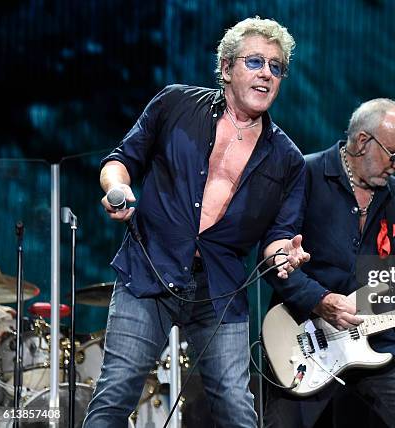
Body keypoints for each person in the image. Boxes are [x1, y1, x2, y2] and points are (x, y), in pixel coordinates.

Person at [84, 17, 310, 428]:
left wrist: (282, 255)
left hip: (220, 289)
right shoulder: (174, 103)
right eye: (256, 62)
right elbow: (121, 160)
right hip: (150, 269)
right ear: (226, 68)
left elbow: (279, 236)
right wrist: (117, 189)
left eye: (276, 67)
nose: (267, 74)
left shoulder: (289, 160)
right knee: (115, 396)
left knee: (238, 412)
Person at [263, 99, 395, 428]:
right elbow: (274, 259)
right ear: (363, 141)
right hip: (302, 338)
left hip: (377, 339)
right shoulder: (305, 174)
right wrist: (320, 301)